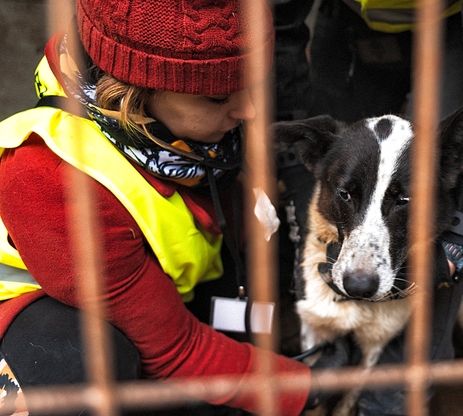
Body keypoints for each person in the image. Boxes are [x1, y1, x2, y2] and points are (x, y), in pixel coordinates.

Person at [0, 1, 350, 415]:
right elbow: (174, 349)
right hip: (37, 323)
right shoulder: (51, 179)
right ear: (131, 96)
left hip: (158, 295)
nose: (248, 111)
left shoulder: (176, 133)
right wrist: (306, 387)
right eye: (218, 97)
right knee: (80, 360)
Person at [274, 0, 463, 414]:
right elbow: (271, 27)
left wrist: (459, 240)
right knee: (347, 168)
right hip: (351, 18)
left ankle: (389, 402)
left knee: (428, 299)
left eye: (403, 201)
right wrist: (300, 176)